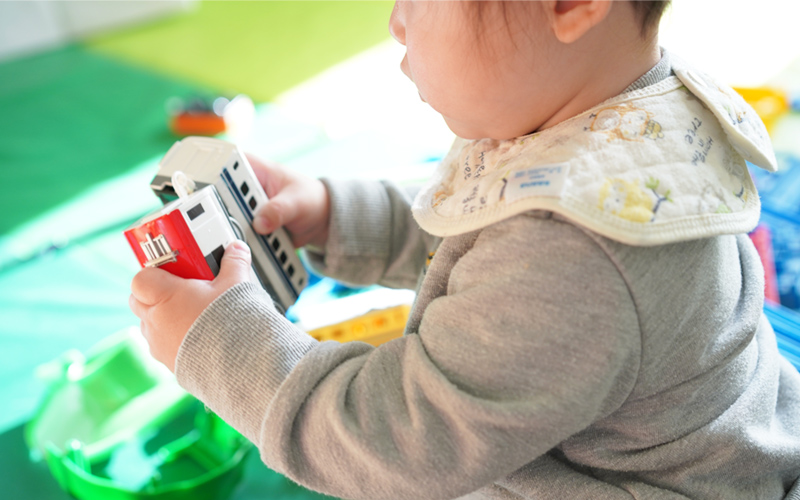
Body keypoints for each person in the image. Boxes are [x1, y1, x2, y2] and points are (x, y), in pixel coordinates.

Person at [129, 1, 800, 498]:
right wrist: (336, 214)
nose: (395, 20)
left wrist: (222, 344)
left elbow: (396, 440)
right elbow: (492, 216)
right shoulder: (623, 113)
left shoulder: (573, 257)